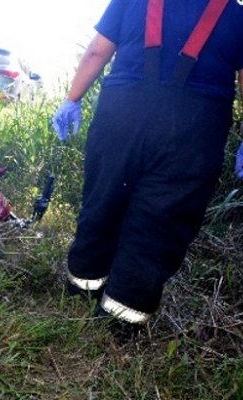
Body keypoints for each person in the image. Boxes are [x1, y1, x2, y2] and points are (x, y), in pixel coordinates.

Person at [52, 0, 243, 338]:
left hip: (121, 115)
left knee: (103, 199)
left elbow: (97, 52)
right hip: (195, 129)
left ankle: (81, 288)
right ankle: (122, 319)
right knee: (161, 219)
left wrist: (72, 99)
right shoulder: (236, 16)